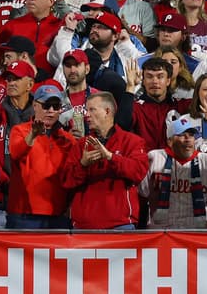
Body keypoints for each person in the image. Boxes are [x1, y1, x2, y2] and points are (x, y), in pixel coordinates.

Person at [60, 91, 150, 230]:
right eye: (86, 110)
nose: (86, 115)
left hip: (120, 224)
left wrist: (111, 157)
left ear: (107, 111)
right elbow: (66, 181)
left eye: (92, 110)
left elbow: (138, 173)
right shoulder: (81, 144)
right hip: (84, 225)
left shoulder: (132, 142)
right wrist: (82, 165)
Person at [7, 83, 76, 229]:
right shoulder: (19, 131)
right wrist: (32, 135)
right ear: (35, 105)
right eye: (46, 105)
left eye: (56, 106)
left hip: (58, 215)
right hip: (24, 215)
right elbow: (16, 153)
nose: (51, 111)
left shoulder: (68, 140)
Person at [142, 115, 207, 230]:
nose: (188, 139)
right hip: (160, 233)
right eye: (181, 135)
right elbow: (141, 194)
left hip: (197, 232)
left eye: (191, 135)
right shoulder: (154, 158)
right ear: (170, 141)